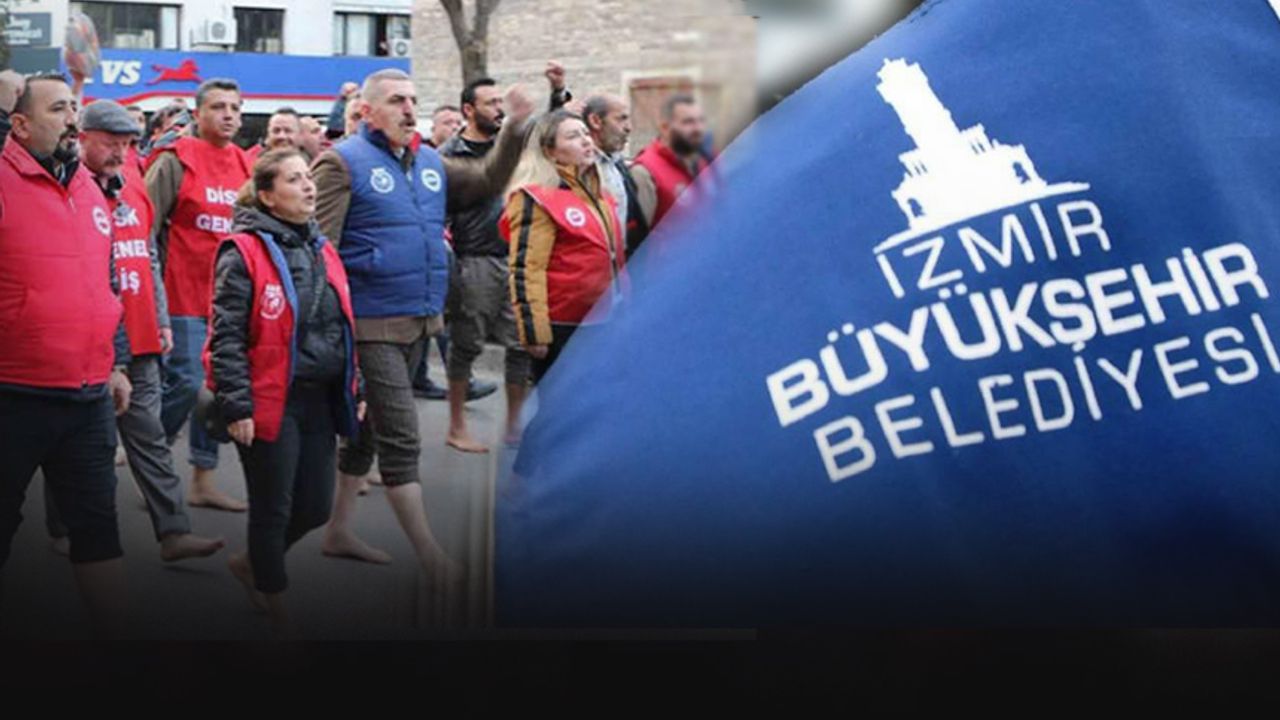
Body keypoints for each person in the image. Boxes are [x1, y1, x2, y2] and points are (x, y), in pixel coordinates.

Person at [311, 68, 533, 569]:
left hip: (419, 317)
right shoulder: (341, 162)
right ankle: (431, 555)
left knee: (368, 434)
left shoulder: (429, 160)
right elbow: (321, 252)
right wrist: (330, 331)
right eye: (396, 100)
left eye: (413, 99)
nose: (410, 109)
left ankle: (338, 531)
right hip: (369, 323)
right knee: (402, 435)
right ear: (366, 111)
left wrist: (515, 129)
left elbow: (486, 181)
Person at [55, 100, 226, 562]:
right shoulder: (67, 187)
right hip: (91, 337)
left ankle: (173, 532)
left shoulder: (133, 178)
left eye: (128, 143)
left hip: (141, 330)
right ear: (81, 139)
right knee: (78, 440)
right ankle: (62, 526)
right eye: (111, 143)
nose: (121, 152)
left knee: (148, 433)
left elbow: (147, 254)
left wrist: (161, 317)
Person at [207, 149, 361, 637]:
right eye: (294, 180)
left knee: (315, 507)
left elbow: (341, 325)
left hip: (319, 398)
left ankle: (252, 563)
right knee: (272, 509)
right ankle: (277, 612)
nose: (308, 186)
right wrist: (237, 403)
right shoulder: (242, 251)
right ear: (268, 197)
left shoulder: (323, 248)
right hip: (270, 398)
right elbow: (226, 335)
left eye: (308, 177)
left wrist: (353, 385)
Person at [0, 73, 130, 637]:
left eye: (74, 107)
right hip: (12, 393)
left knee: (97, 528)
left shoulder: (88, 186)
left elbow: (105, 281)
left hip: (87, 395)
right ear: (20, 124)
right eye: (57, 109)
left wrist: (116, 362)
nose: (73, 118)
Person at [436, 65, 570, 451]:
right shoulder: (449, 155)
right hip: (475, 260)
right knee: (466, 345)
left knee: (520, 345)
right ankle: (456, 425)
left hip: (517, 258)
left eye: (500, 102)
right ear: (468, 110)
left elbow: (549, 132)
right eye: (490, 103)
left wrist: (556, 91)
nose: (499, 109)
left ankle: (514, 425)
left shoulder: (515, 145)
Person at [146, 78, 253, 512]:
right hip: (182, 294)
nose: (228, 115)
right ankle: (148, 454)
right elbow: (145, 225)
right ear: (198, 114)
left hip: (229, 299)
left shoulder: (246, 164)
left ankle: (202, 480)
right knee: (188, 383)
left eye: (235, 108)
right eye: (218, 107)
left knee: (217, 391)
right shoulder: (175, 160)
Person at [504, 110, 626, 382]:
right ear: (550, 151)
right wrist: (534, 332)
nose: (586, 141)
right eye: (572, 136)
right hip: (563, 324)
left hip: (603, 318)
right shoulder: (537, 197)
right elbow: (527, 268)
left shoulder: (599, 195)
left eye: (585, 133)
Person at [583, 94, 654, 258]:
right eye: (621, 119)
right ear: (595, 121)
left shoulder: (619, 166)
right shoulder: (577, 168)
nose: (628, 128)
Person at [630, 94, 710, 232]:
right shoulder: (645, 171)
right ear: (665, 127)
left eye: (701, 121)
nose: (698, 129)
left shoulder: (705, 163)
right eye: (688, 122)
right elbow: (637, 235)